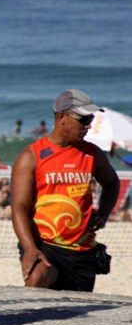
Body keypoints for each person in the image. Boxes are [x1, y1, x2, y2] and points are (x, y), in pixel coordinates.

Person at [11, 89, 119, 293]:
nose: (89, 125)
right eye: (84, 118)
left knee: (74, 312)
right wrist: (29, 247)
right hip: (45, 245)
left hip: (82, 251)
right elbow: (18, 206)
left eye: (92, 118)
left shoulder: (92, 154)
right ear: (61, 117)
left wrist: (103, 213)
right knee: (36, 280)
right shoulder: (32, 156)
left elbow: (112, 183)